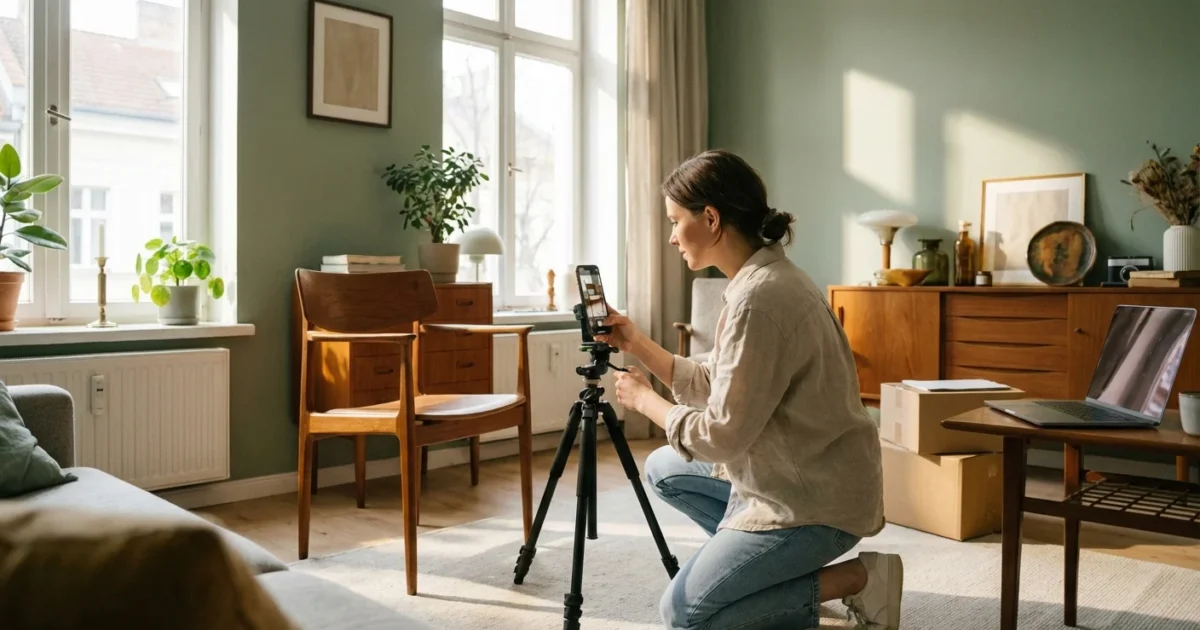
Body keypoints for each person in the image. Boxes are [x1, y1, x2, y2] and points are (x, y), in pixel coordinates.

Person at [598, 149, 902, 630]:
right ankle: (762, 574)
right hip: (799, 473)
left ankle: (857, 579)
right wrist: (636, 343)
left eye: (676, 221)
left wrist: (645, 401)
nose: (672, 236)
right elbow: (718, 384)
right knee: (662, 468)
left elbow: (720, 435)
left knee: (685, 614)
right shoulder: (762, 280)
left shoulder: (758, 301)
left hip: (814, 501)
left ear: (711, 219)